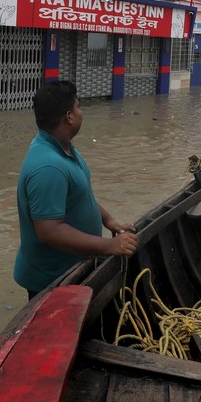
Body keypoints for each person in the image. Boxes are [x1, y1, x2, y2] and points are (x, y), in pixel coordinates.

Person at [14, 81, 137, 300]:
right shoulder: (48, 167)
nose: (81, 113)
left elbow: (80, 196)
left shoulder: (63, 147)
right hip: (53, 281)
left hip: (73, 269)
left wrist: (108, 220)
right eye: (79, 107)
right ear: (69, 117)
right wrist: (109, 246)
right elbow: (49, 231)